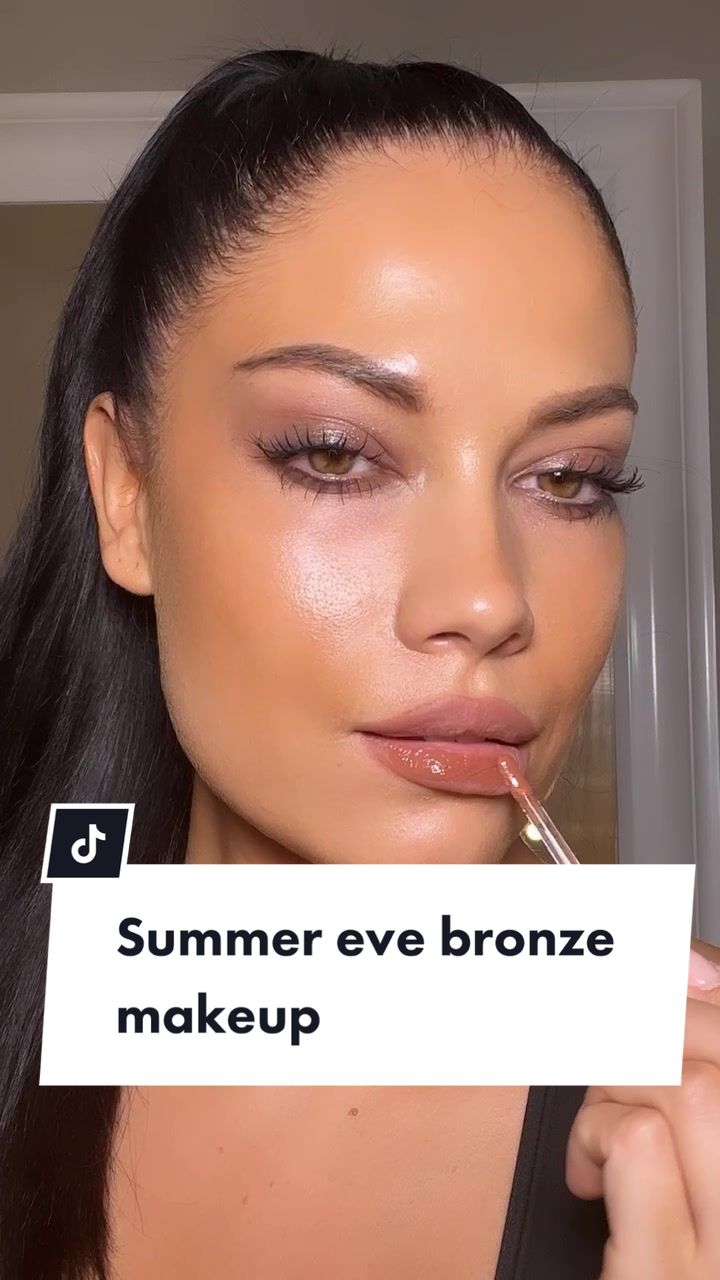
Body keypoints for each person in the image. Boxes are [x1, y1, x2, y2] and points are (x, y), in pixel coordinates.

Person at [0, 45, 718, 1280]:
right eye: (334, 453)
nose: (488, 598)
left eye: (569, 477)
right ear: (127, 496)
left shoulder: (678, 1123)